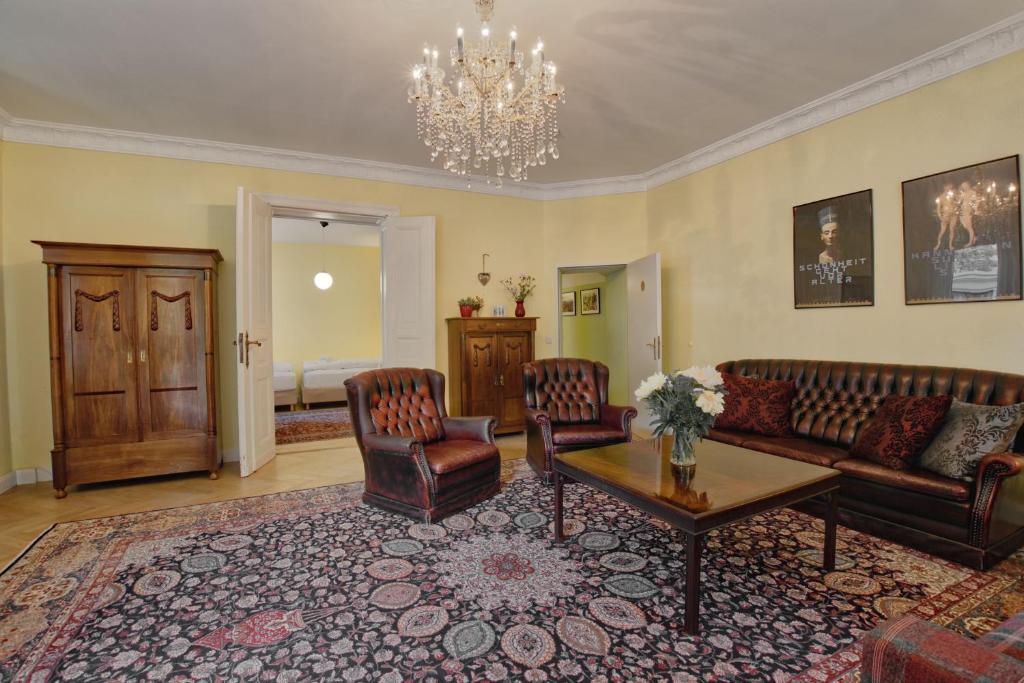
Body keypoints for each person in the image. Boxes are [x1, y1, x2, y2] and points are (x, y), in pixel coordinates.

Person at [934, 182, 957, 251]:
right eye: (948, 187)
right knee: (942, 231)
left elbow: (956, 203)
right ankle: (938, 244)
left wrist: (953, 199)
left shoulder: (952, 195)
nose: (949, 188)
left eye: (950, 187)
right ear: (945, 188)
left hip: (953, 214)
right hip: (945, 215)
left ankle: (950, 245)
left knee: (952, 230)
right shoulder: (941, 197)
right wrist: (940, 217)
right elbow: (938, 209)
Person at [956, 181, 978, 248]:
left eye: (965, 185)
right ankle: (974, 238)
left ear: (968, 185)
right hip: (963, 211)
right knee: (965, 226)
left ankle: (970, 242)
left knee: (969, 226)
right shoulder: (963, 193)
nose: (964, 187)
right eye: (962, 186)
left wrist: (973, 209)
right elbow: (959, 202)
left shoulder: (972, 192)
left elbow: (974, 202)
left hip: (968, 210)